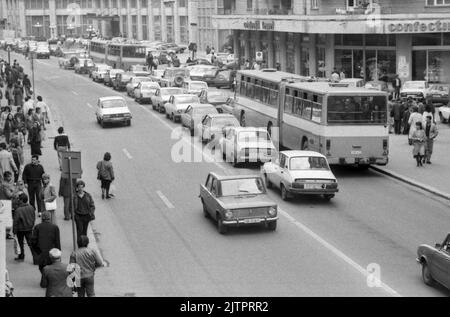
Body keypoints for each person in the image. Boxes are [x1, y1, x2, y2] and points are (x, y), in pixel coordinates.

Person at [12, 193, 37, 262]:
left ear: (22, 200)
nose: (18, 200)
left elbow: (15, 222)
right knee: (31, 244)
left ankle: (21, 256)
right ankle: (35, 258)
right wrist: (31, 225)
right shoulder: (31, 207)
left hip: (20, 229)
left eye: (19, 199)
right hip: (29, 228)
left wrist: (14, 231)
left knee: (20, 243)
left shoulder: (18, 210)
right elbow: (33, 217)